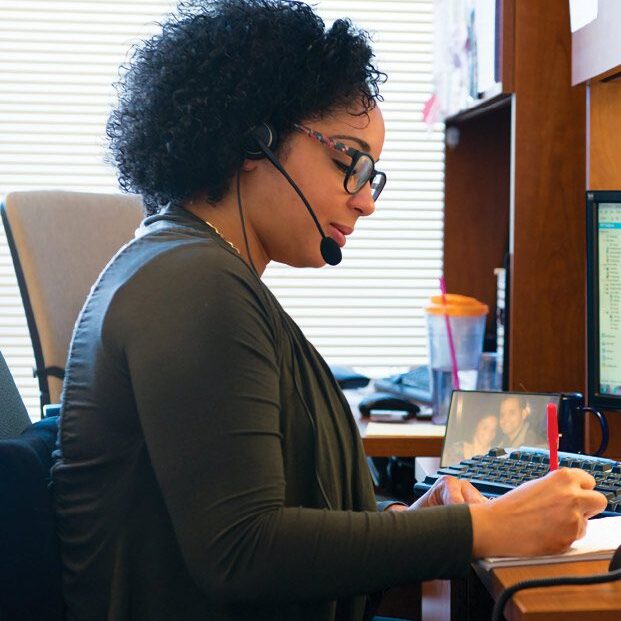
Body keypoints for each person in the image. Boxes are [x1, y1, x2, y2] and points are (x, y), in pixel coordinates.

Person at [51, 2, 607, 620]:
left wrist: (417, 521)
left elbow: (261, 518)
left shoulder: (196, 268)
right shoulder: (192, 284)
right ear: (252, 139)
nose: (366, 201)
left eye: (374, 175)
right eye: (349, 162)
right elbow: (243, 551)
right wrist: (487, 529)